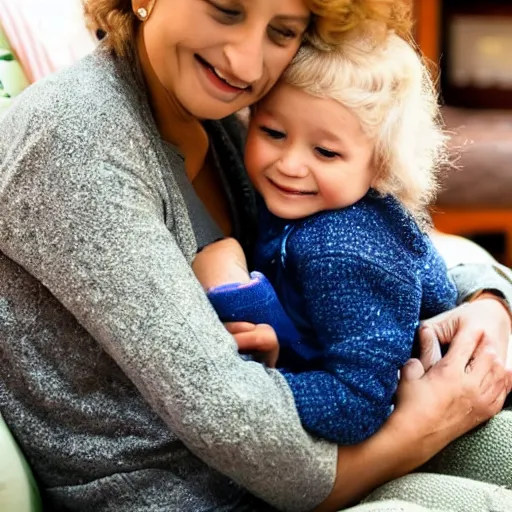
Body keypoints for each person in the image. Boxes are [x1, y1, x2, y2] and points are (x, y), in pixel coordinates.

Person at [0, 0, 510, 511]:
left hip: (315, 446)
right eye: (225, 9)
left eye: (283, 31)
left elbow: (369, 241)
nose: (246, 63)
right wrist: (426, 421)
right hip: (196, 494)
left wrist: (490, 301)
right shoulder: (76, 141)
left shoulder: (220, 115)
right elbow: (244, 428)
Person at [193, 26, 460, 446]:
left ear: (380, 165)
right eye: (274, 134)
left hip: (407, 429)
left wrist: (251, 386)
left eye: (326, 152)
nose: (291, 165)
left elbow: (358, 402)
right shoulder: (305, 203)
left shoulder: (343, 252)